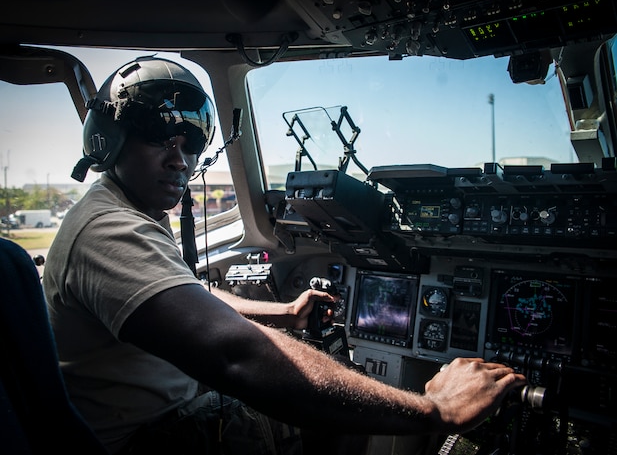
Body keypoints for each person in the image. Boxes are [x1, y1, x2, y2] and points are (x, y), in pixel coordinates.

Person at [43, 56, 526, 455]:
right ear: (107, 141)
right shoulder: (110, 230)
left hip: (157, 412)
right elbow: (233, 355)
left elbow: (188, 303)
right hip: (144, 439)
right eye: (158, 139)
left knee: (334, 384)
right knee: (343, 407)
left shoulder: (129, 211)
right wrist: (434, 410)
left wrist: (287, 313)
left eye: (190, 144)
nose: (181, 160)